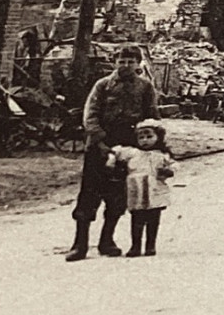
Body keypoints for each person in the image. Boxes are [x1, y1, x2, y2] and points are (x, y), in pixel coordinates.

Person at [65, 44, 159, 262]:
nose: (126, 66)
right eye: (122, 61)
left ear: (138, 64)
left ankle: (107, 241)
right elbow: (90, 116)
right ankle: (80, 245)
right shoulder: (103, 85)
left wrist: (152, 145)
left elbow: (152, 117)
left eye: (131, 62)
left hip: (128, 148)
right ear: (115, 63)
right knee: (89, 195)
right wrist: (100, 142)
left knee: (117, 198)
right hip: (99, 147)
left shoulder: (145, 87)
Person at [107, 118, 175, 258]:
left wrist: (168, 171)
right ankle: (135, 246)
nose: (145, 140)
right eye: (141, 137)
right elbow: (115, 151)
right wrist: (111, 161)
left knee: (153, 218)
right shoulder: (132, 152)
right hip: (136, 189)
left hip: (154, 190)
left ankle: (151, 246)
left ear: (158, 137)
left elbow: (173, 165)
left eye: (149, 137)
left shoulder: (162, 155)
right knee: (137, 218)